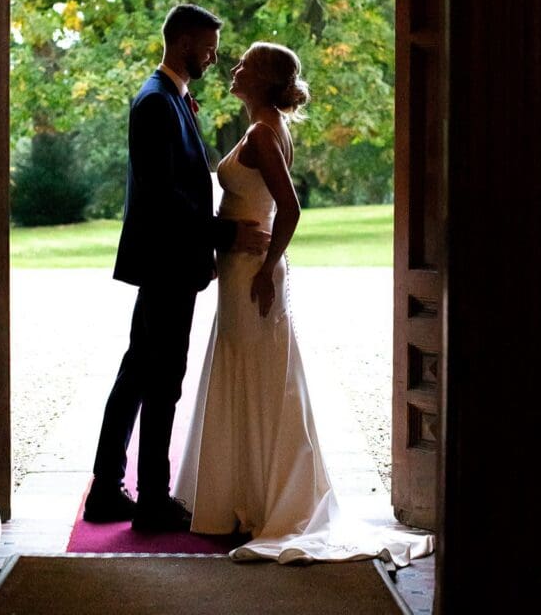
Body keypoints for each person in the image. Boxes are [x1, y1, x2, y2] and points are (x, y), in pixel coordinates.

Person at [174, 42, 434, 566]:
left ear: (265, 79)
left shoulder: (264, 133)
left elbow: (290, 210)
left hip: (253, 273)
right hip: (241, 268)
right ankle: (244, 498)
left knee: (260, 375)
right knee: (252, 372)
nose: (235, 68)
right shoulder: (263, 126)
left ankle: (265, 502)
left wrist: (268, 266)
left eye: (245, 64)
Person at [83, 5, 271, 532]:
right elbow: (164, 199)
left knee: (139, 374)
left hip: (170, 266)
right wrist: (227, 233)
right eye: (208, 45)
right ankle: (151, 500)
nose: (213, 55)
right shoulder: (156, 104)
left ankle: (107, 489)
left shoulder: (170, 99)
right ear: (184, 40)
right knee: (159, 381)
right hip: (166, 265)